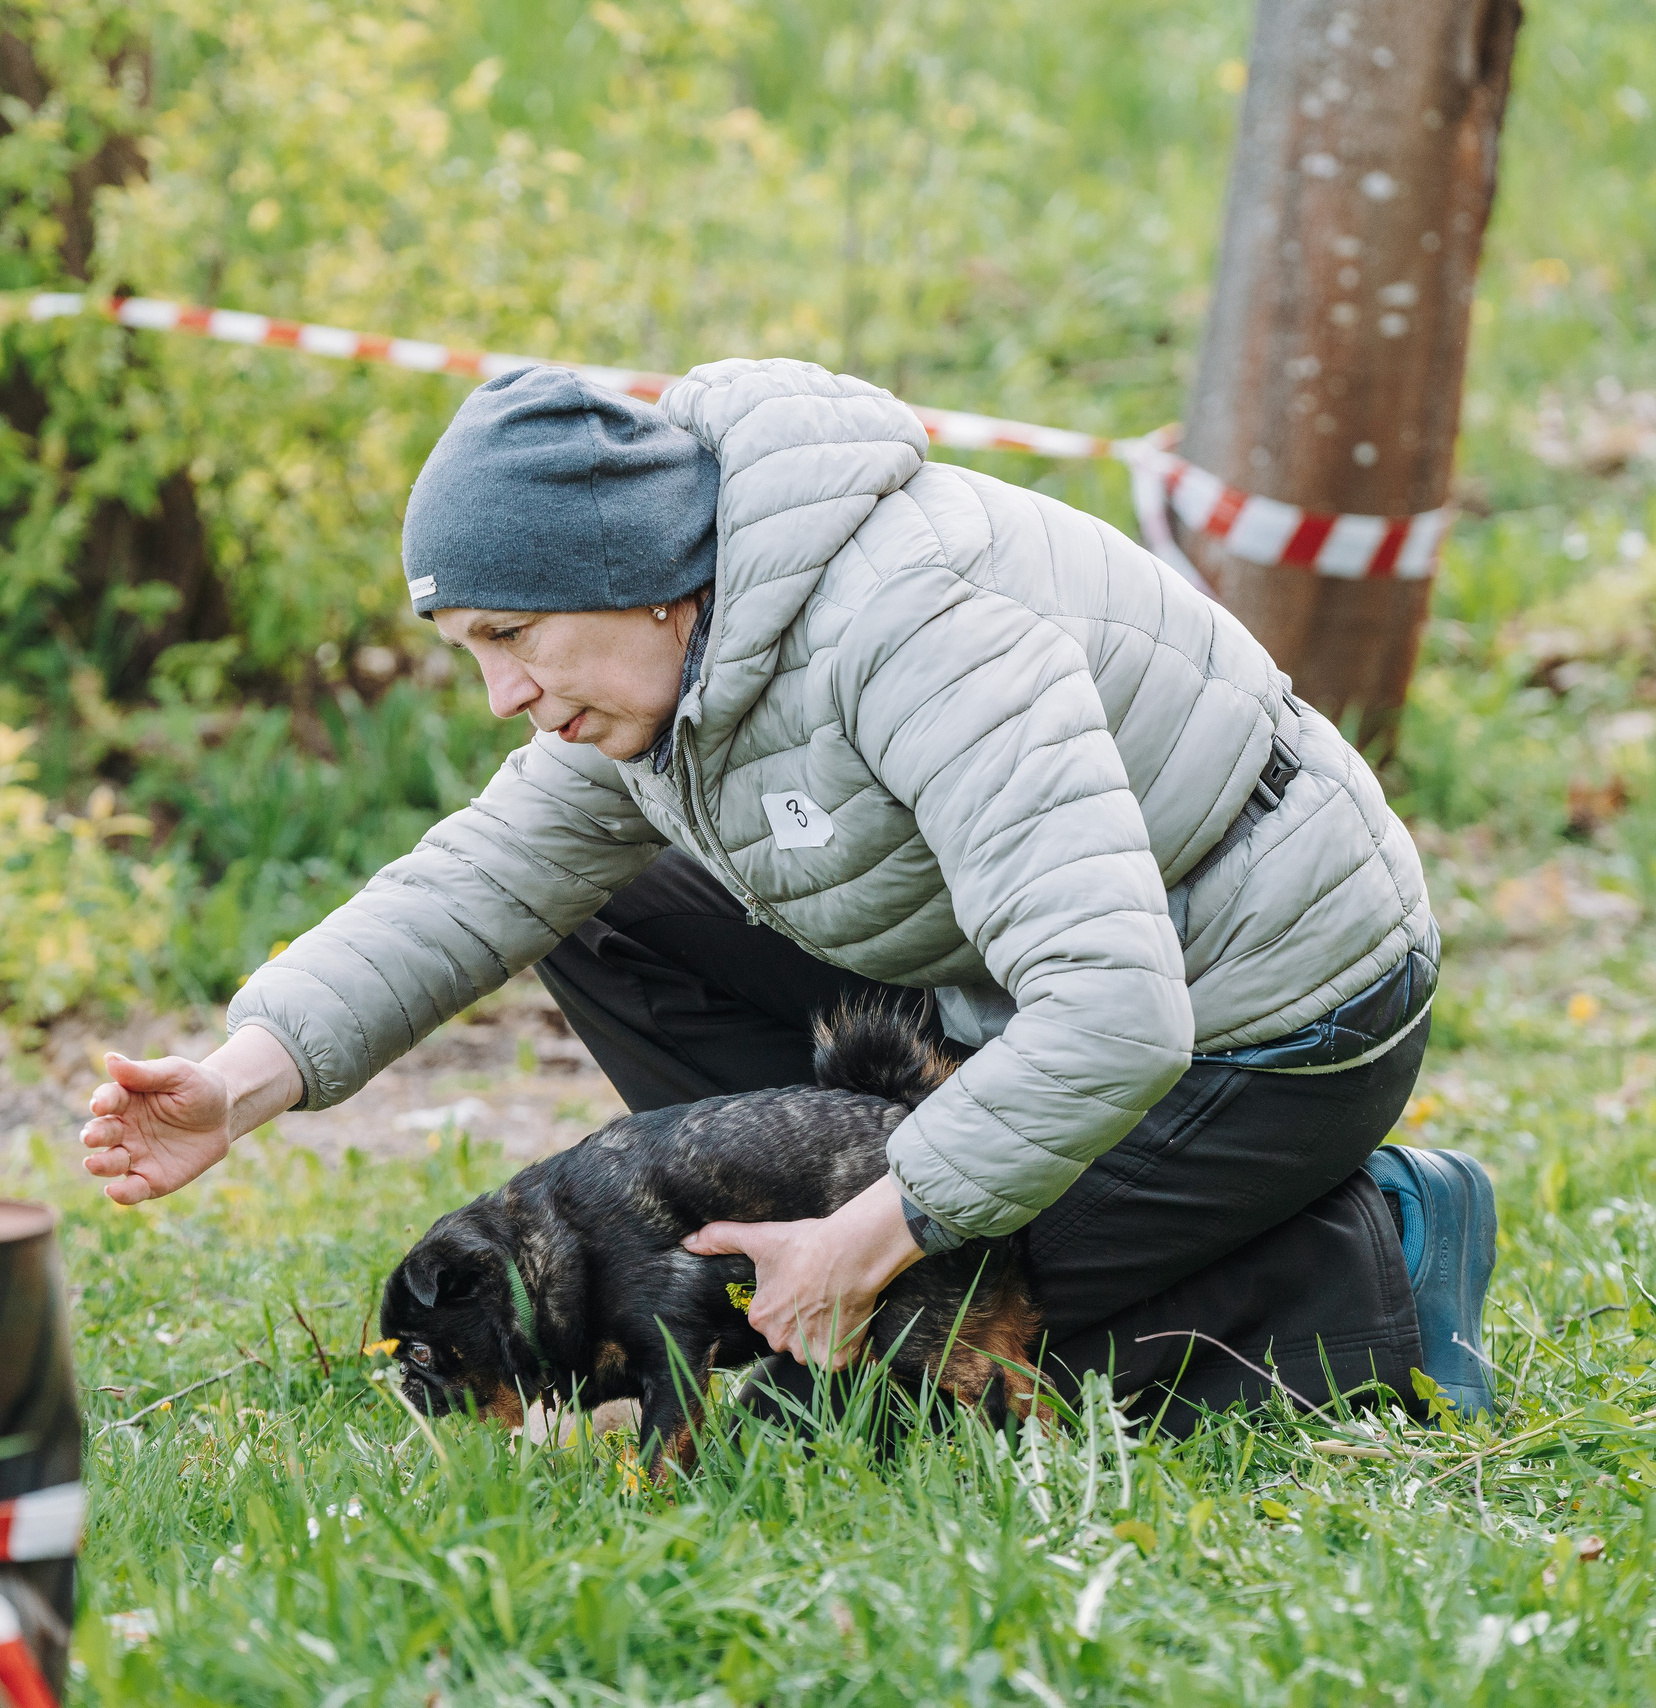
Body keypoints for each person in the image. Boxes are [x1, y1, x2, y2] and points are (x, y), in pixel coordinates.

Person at [80, 359, 1498, 1420]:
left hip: (1267, 1026)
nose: (505, 692)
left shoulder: (915, 626)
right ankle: (839, 1236)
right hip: (1014, 1005)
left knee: (893, 1375)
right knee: (611, 913)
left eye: (512, 635)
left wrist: (868, 1241)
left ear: (636, 575)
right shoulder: (670, 657)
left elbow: (1119, 1013)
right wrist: (241, 1080)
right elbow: (477, 881)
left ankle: (1373, 1252)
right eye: (469, 650)